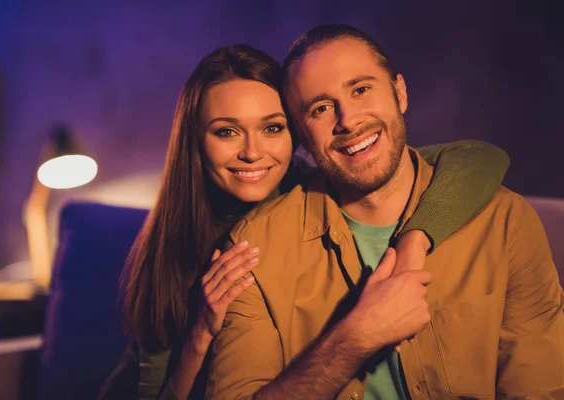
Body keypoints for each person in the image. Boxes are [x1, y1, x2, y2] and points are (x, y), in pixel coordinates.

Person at [98, 44, 509, 400]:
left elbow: (478, 157)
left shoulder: (316, 191)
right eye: (227, 132)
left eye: (272, 128)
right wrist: (200, 334)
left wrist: (414, 241)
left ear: (296, 132)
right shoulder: (170, 246)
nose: (252, 152)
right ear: (195, 140)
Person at [206, 25, 564, 400]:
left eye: (361, 89)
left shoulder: (504, 222)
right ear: (303, 138)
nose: (348, 119)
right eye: (321, 108)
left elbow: (539, 389)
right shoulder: (255, 250)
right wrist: (355, 337)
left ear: (400, 92)